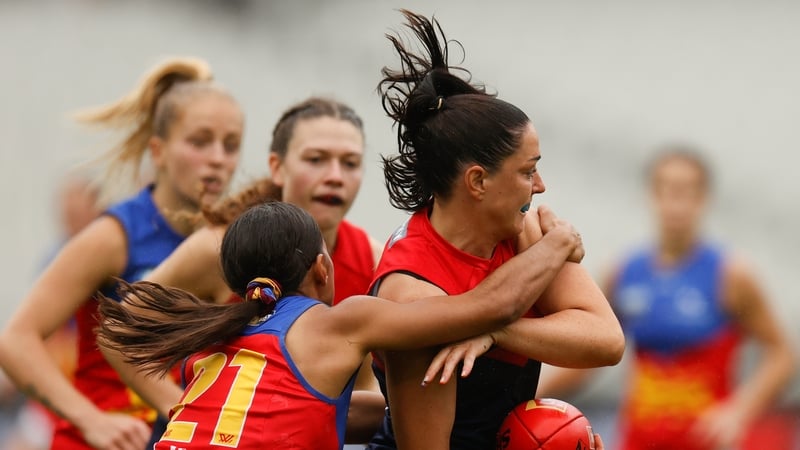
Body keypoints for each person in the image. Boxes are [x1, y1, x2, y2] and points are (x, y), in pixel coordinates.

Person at [96, 200, 586, 450]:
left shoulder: (211, 347)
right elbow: (491, 306)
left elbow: (318, 416)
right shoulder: (338, 322)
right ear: (322, 269)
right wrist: (555, 245)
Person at [365, 10, 626, 450]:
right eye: (529, 172)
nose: (540, 187)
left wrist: (495, 331)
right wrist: (557, 247)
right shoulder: (414, 292)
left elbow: (605, 341)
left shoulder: (520, 233)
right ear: (478, 182)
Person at [99, 97, 388, 446]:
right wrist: (182, 406)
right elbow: (117, 327)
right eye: (316, 159)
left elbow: (361, 393)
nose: (335, 177)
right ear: (277, 167)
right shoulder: (218, 247)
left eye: (351, 163)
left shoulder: (373, 259)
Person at [0, 56, 244, 450]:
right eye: (200, 142)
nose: (218, 158)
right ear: (159, 151)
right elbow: (15, 341)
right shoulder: (115, 237)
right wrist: (90, 419)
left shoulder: (229, 240)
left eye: (231, 145)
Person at [539, 146, 797, 450]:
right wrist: (536, 394)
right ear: (652, 195)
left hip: (705, 444)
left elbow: (782, 355)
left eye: (686, 191)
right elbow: (591, 355)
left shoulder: (730, 274)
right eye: (667, 189)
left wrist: (738, 411)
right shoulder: (624, 273)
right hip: (638, 440)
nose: (676, 203)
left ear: (704, 199)